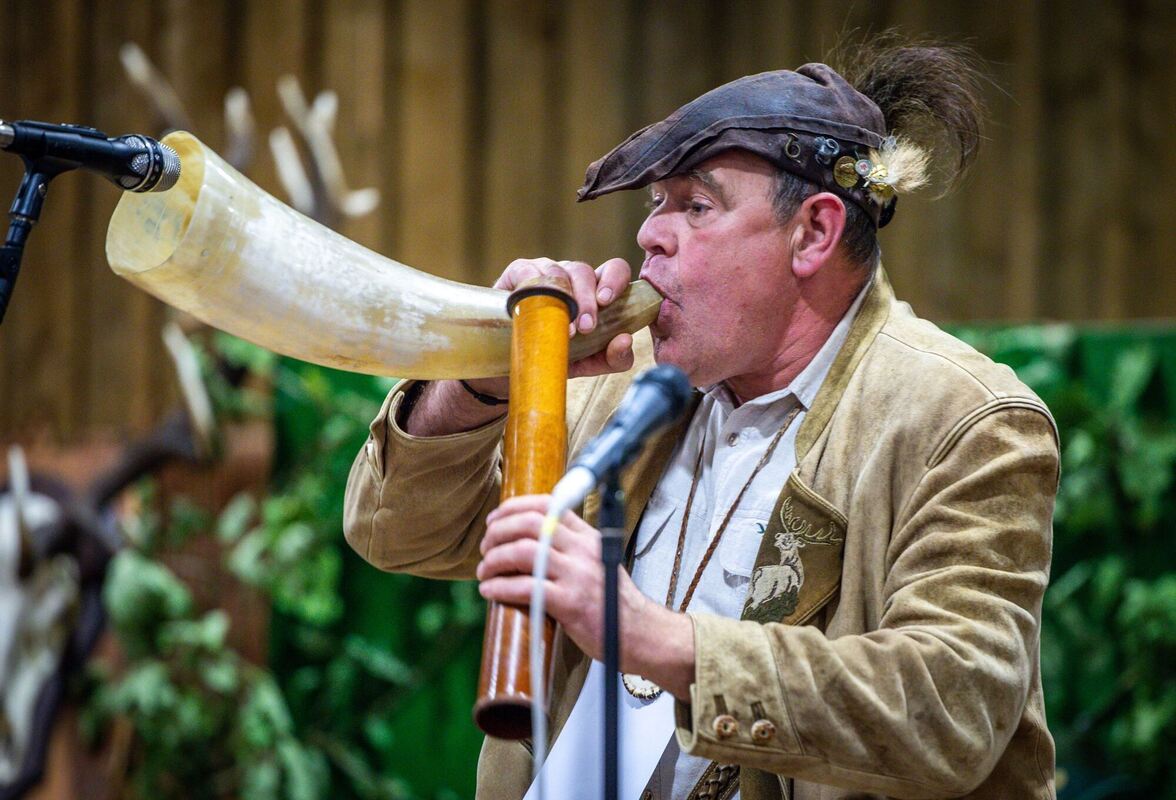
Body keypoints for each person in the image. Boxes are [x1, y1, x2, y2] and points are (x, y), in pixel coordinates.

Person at [344, 39, 1059, 800]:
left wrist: (651, 639)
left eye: (696, 205)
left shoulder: (967, 420)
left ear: (814, 233)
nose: (650, 234)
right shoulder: (623, 379)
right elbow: (396, 534)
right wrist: (485, 383)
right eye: (656, 204)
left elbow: (951, 709)